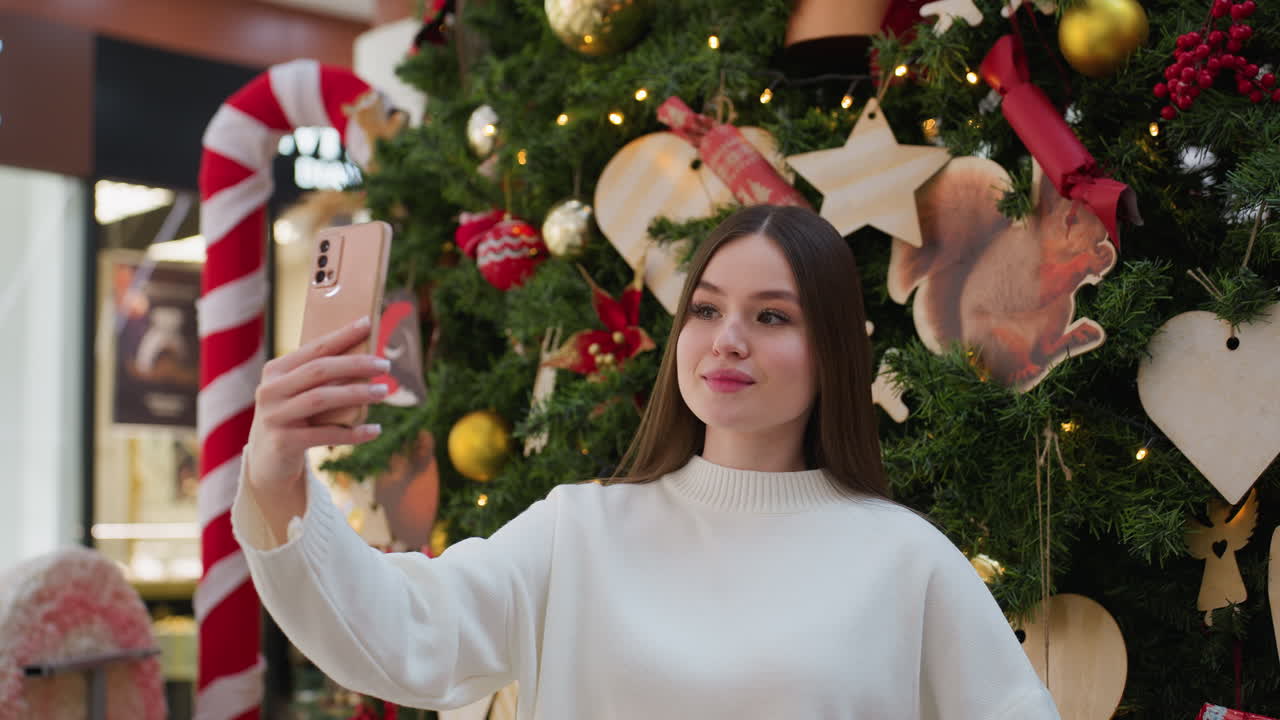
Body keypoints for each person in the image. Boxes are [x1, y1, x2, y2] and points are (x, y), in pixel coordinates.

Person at [233, 205, 1060, 719]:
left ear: (831, 352)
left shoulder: (903, 558)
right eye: (707, 309)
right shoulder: (579, 530)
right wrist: (276, 473)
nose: (727, 338)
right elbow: (395, 633)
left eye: (771, 316)